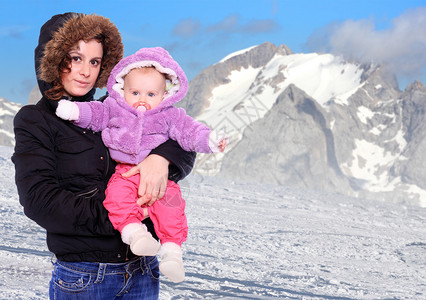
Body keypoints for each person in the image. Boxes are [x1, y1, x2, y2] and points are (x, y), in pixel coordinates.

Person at [12, 12, 195, 299]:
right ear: (53, 58)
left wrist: (161, 160)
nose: (85, 71)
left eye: (94, 61)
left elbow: (181, 136)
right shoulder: (36, 120)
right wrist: (123, 219)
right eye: (75, 58)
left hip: (142, 272)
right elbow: (41, 201)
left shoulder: (114, 110)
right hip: (85, 277)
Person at [55, 46, 227, 283]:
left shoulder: (169, 115)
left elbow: (189, 132)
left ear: (165, 94)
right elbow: (95, 114)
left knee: (172, 207)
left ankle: (172, 252)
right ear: (122, 89)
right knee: (116, 198)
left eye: (150, 94)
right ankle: (135, 233)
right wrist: (74, 110)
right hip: (125, 171)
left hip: (160, 179)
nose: (142, 101)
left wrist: (210, 140)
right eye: (135, 93)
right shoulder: (113, 108)